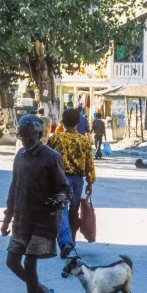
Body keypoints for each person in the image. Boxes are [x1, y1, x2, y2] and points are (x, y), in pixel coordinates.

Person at [2, 114, 72, 293]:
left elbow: (65, 189)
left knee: (29, 263)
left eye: (29, 137)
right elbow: (14, 188)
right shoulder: (20, 156)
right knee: (12, 261)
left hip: (43, 220)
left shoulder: (52, 157)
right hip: (22, 219)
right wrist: (7, 218)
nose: (25, 141)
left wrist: (59, 200)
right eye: (22, 137)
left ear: (40, 135)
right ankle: (41, 291)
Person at [47, 108, 96, 258]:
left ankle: (65, 242)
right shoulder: (85, 141)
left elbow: (47, 159)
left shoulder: (55, 138)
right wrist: (90, 182)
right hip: (77, 181)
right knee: (73, 209)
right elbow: (90, 164)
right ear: (77, 122)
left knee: (61, 210)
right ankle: (71, 241)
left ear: (62, 121)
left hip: (59, 179)